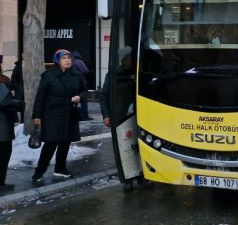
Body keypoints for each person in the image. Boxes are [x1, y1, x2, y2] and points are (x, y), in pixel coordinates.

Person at [31, 49, 87, 182]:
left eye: (69, 58)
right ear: (57, 60)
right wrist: (36, 116)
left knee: (65, 143)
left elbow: (85, 91)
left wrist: (79, 96)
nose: (68, 60)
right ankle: (39, 171)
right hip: (52, 115)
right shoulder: (49, 76)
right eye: (64, 58)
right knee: (50, 144)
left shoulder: (77, 75)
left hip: (70, 114)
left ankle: (60, 168)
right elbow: (40, 97)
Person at [99, 47, 150, 190]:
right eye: (130, 58)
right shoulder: (113, 75)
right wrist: (107, 116)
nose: (133, 61)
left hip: (139, 117)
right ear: (124, 60)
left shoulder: (139, 73)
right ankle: (128, 179)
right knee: (125, 149)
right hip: (120, 118)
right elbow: (103, 96)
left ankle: (142, 176)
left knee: (141, 147)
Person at [0, 81, 20, 191]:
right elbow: (4, 101)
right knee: (3, 156)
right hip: (2, 126)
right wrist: (19, 102)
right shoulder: (1, 84)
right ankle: (1, 184)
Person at [71, 50, 92, 121]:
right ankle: (85, 116)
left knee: (73, 99)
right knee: (83, 99)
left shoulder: (71, 61)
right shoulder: (79, 61)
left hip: (72, 83)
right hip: (79, 82)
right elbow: (86, 71)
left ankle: (76, 115)